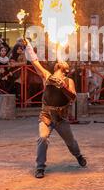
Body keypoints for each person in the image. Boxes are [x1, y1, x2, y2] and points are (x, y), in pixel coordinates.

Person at [24, 40, 86, 179]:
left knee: (71, 142)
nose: (61, 62)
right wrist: (27, 46)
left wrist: (63, 86)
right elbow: (35, 62)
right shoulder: (47, 76)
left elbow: (73, 98)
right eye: (60, 62)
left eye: (64, 63)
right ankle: (40, 168)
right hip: (46, 115)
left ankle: (78, 155)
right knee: (42, 138)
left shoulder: (69, 81)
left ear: (66, 70)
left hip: (61, 117)